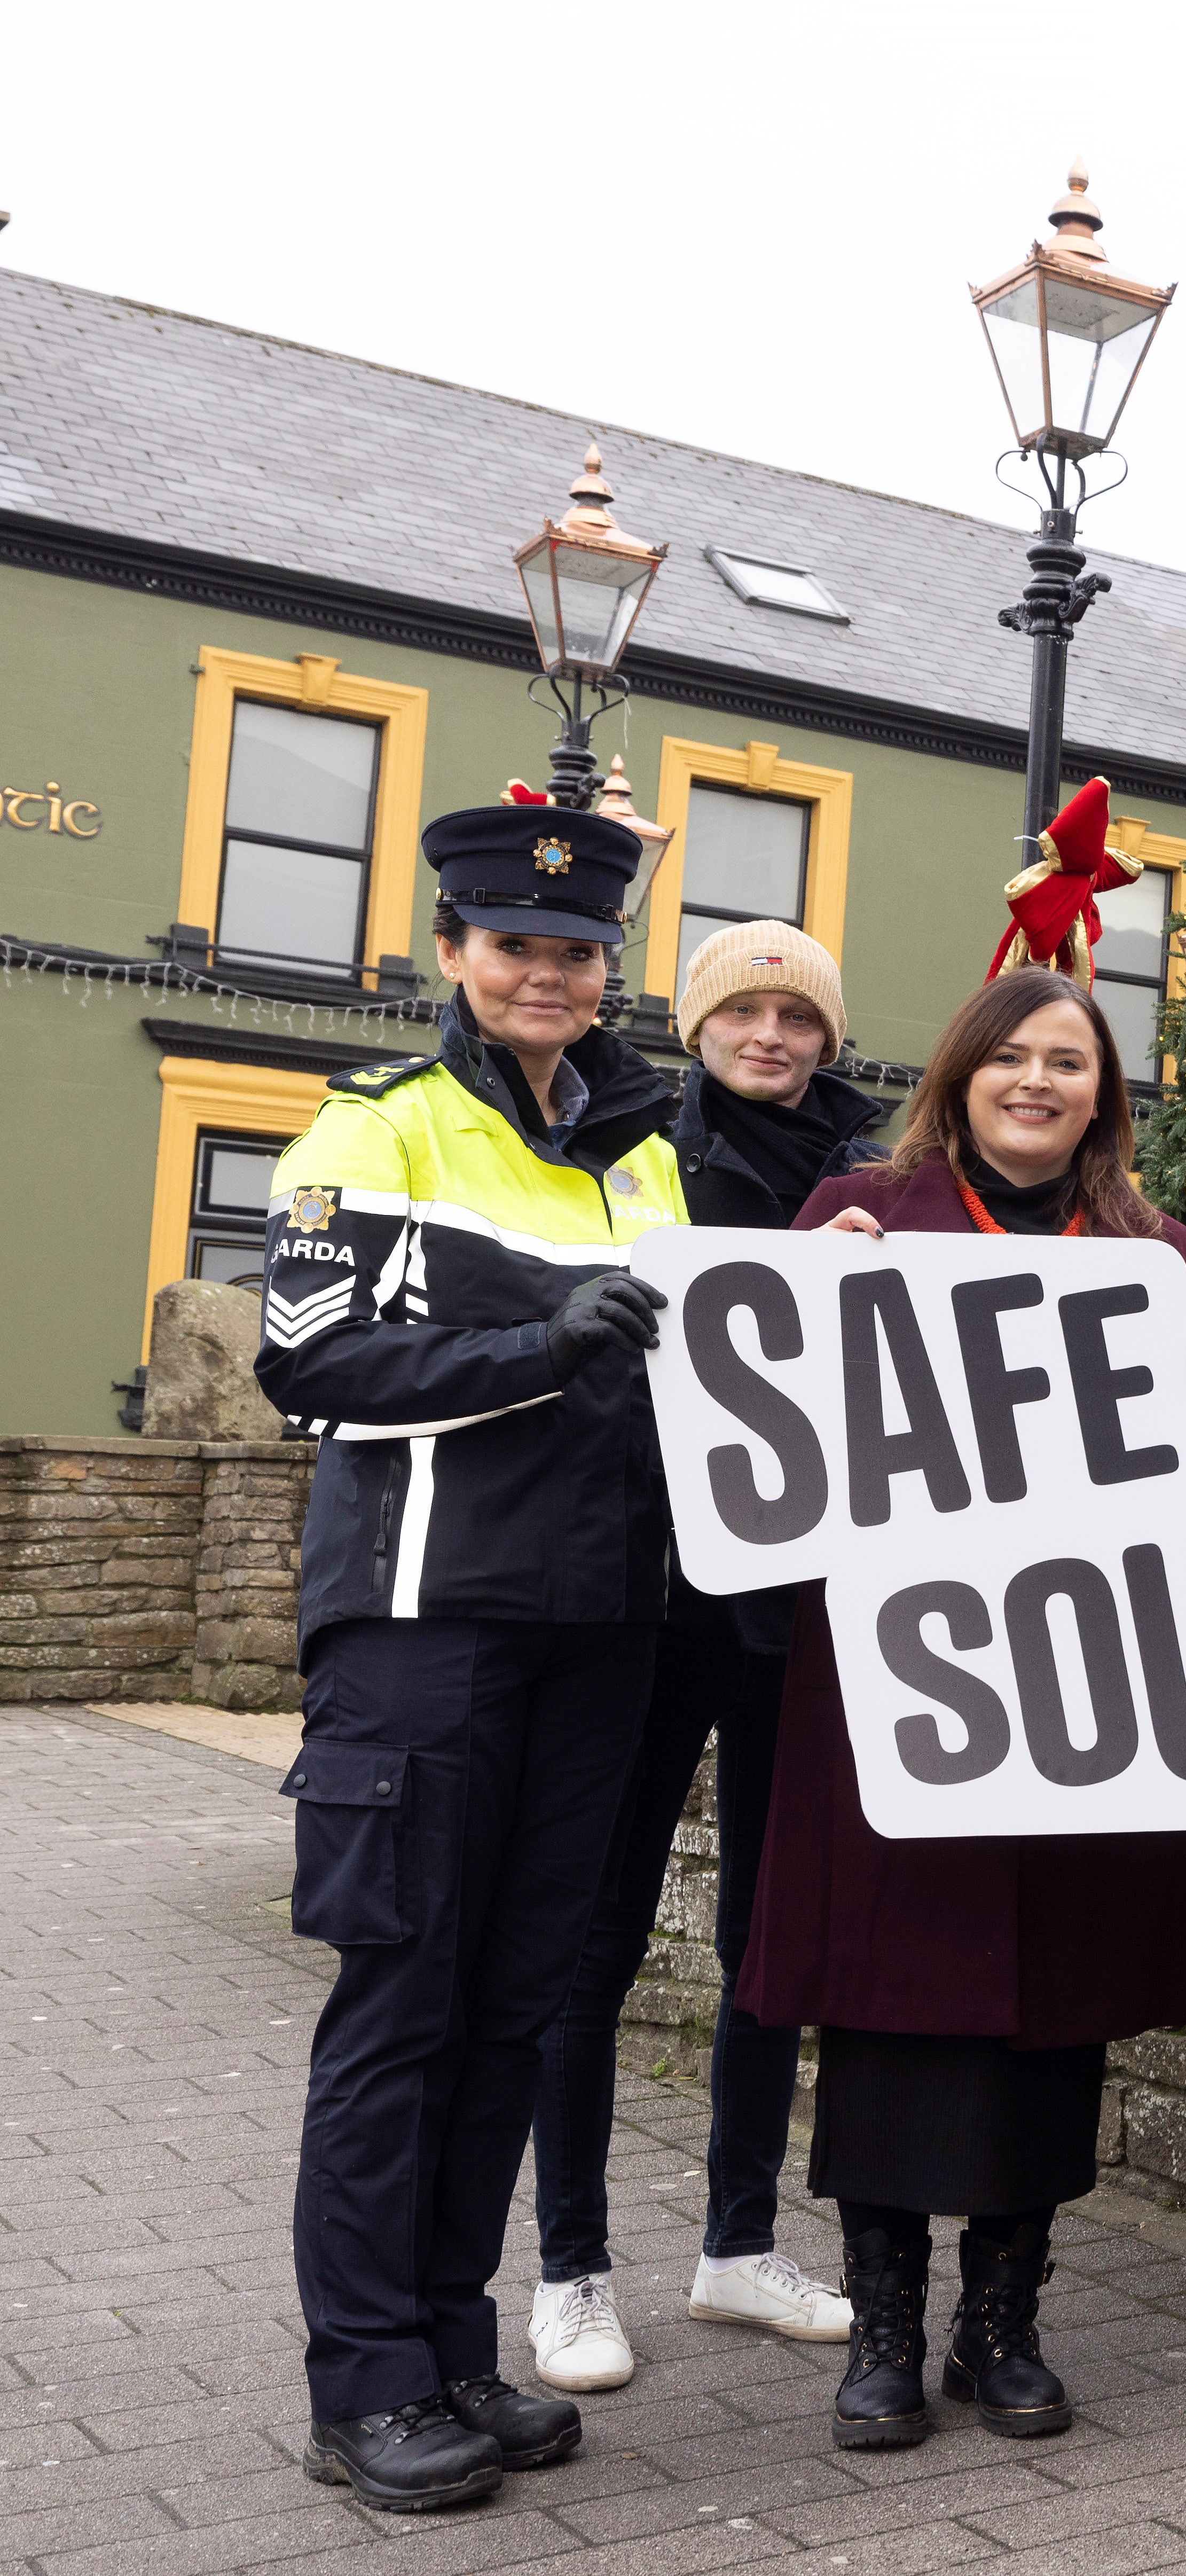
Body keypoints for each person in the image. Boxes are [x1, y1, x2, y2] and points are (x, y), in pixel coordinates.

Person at [253, 801, 688, 2512]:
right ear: (454, 952)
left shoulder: (642, 1153)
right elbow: (315, 1365)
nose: (547, 974)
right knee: (401, 2006)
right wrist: (543, 1343)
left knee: (512, 2012)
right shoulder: (373, 1129)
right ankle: (362, 2385)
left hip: (598, 1631)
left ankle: (447, 2347)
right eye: (515, 945)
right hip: (424, 1629)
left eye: (577, 952)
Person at [735, 967, 1186, 2450]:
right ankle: (882, 2329)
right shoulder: (857, 1213)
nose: (1037, 1083)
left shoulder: (1156, 1251)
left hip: (1085, 1679)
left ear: (1103, 1093)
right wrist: (804, 1306)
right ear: (957, 1076)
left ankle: (1000, 2324)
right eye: (1009, 1058)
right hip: (901, 1671)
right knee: (887, 1999)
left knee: (1053, 2010)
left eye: (1068, 1063)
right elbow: (769, 1425)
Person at [527, 921, 880, 2392]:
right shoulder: (642, 1147)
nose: (770, 1035)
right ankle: (570, 2270)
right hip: (653, 1601)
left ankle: (738, 2245)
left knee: (767, 1940)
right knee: (594, 1939)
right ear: (697, 1024)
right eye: (742, 1009)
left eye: (796, 1016)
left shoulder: (874, 1180)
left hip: (802, 1614)